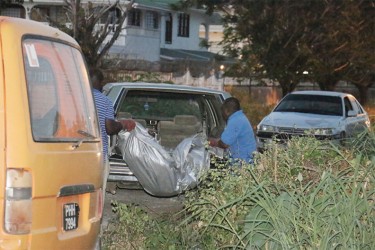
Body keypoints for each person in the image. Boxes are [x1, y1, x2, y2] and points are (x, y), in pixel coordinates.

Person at [90, 68, 135, 194]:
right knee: (96, 194)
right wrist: (123, 124)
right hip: (98, 156)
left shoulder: (75, 99)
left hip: (77, 155)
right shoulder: (105, 101)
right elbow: (109, 128)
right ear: (100, 83)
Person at [209, 97, 256, 164]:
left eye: (222, 111)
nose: (222, 115)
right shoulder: (240, 117)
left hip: (243, 163)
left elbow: (224, 144)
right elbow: (231, 138)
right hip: (247, 160)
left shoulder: (235, 121)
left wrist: (212, 143)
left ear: (226, 111)